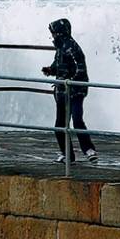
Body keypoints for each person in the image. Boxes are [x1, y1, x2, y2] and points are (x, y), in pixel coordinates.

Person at [41, 17, 98, 164]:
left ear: (60, 33)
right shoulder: (60, 48)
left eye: (53, 33)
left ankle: (88, 150)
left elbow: (80, 69)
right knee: (60, 125)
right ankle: (68, 154)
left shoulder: (72, 47)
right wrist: (50, 70)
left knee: (77, 120)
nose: (52, 36)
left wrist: (69, 82)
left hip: (75, 92)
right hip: (62, 93)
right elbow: (57, 66)